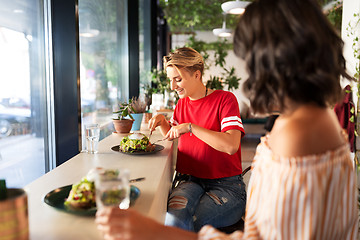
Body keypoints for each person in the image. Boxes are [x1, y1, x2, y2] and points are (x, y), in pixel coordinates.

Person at [95, 0, 358, 239]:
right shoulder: (317, 120)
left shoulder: (295, 133)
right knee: (177, 217)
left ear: (275, 60)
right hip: (192, 179)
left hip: (225, 186)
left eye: (252, 60)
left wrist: (153, 231)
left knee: (180, 221)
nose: (254, 75)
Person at [151, 46, 246, 232]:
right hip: (190, 181)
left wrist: (190, 127)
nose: (172, 86)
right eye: (170, 80)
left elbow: (231, 145)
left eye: (178, 80)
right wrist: (163, 122)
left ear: (197, 75)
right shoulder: (181, 104)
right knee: (173, 219)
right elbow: (172, 134)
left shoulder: (225, 100)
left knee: (190, 222)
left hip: (227, 187)